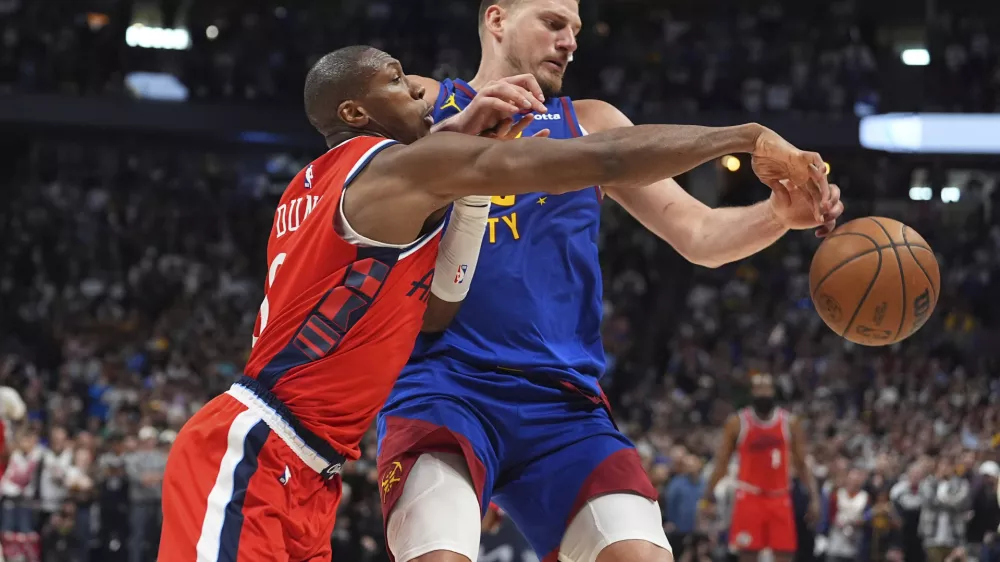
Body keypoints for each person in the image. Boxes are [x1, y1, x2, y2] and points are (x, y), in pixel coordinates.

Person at [158, 44, 828, 562]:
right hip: (262, 445)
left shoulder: (327, 182)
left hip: (313, 465)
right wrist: (740, 136)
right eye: (398, 82)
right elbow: (600, 164)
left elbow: (442, 304)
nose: (416, 92)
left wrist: (467, 182)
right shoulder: (394, 166)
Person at [375, 1, 844, 562]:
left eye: (575, 29)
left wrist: (777, 216)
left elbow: (698, 232)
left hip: (563, 402)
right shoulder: (423, 104)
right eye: (553, 23)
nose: (570, 41)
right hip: (443, 385)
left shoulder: (591, 122)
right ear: (497, 20)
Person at [702, 372, 822, 562]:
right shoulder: (737, 423)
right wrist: (707, 496)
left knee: (784, 554)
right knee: (748, 554)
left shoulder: (789, 423)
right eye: (759, 389)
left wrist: (814, 498)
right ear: (752, 393)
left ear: (774, 392)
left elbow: (802, 463)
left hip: (780, 496)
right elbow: (721, 463)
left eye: (767, 388)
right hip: (749, 496)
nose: (763, 393)